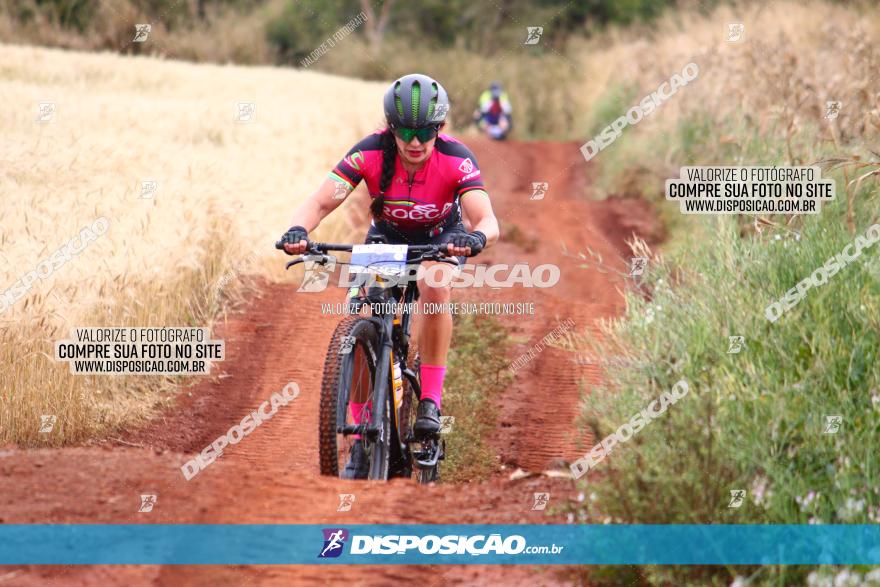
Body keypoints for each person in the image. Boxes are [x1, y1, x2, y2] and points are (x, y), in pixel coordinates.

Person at [279, 73, 500, 479]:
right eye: (405, 131)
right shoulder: (369, 153)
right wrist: (299, 230)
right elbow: (320, 200)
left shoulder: (456, 158)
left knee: (434, 284)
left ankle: (430, 401)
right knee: (360, 315)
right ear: (390, 127)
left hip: (441, 241)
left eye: (424, 132)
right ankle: (363, 434)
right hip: (386, 241)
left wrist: (475, 238)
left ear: (440, 129)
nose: (414, 142)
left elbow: (485, 217)